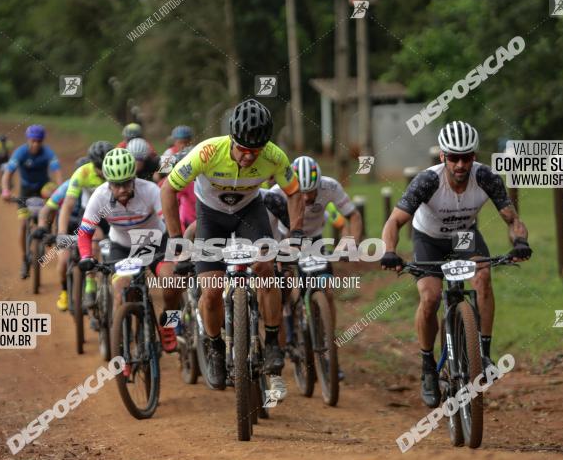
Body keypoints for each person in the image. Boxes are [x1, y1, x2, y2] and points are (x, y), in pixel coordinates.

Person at [380, 120, 532, 408]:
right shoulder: (427, 181)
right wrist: (389, 250)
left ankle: (483, 354)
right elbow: (394, 221)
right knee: (431, 296)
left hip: (464, 237)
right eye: (454, 158)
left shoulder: (486, 177)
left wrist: (520, 242)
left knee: (483, 276)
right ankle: (427, 367)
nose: (460, 165)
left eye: (467, 157)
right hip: (429, 238)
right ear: (443, 157)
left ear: (474, 157)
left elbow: (512, 220)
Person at [159, 98, 304, 400]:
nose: (250, 157)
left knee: (266, 268)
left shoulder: (275, 156)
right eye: (244, 150)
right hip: (210, 217)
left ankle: (274, 342)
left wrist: (296, 232)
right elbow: (168, 189)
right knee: (210, 291)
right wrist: (176, 238)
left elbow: (294, 192)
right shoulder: (207, 152)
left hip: (249, 212)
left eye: (257, 151)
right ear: (232, 140)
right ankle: (214, 347)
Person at [77, 148, 180, 352]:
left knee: (173, 284)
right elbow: (84, 232)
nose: (122, 189)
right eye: (116, 184)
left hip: (154, 241)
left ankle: (169, 324)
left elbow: (168, 221)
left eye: (126, 182)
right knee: (121, 291)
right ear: (108, 182)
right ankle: (121, 346)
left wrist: (177, 251)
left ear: (134, 178)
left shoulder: (150, 190)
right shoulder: (100, 197)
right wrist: (86, 256)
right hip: (122, 247)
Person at [263, 155, 363, 348]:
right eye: (302, 192)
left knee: (327, 291)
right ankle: (290, 325)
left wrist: (351, 243)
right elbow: (268, 226)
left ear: (320, 183)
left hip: (314, 241)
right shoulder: (277, 191)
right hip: (286, 239)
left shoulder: (331, 187)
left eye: (312, 191)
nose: (307, 197)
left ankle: (328, 343)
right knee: (287, 287)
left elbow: (353, 216)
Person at [35, 141, 112, 310]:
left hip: (103, 217)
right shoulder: (69, 184)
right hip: (73, 222)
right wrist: (58, 232)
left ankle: (97, 284)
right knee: (62, 261)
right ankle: (64, 291)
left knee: (100, 244)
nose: (101, 173)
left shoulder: (112, 174)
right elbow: (62, 207)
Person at [1, 125, 61, 279]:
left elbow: (57, 173)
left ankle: (48, 227)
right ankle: (24, 259)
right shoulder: (20, 153)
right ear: (28, 140)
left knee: (54, 200)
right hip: (25, 191)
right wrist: (6, 191)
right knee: (22, 225)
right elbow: (7, 174)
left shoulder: (48, 153)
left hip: (43, 189)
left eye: (39, 141)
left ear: (42, 141)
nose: (35, 144)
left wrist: (59, 189)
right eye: (33, 141)